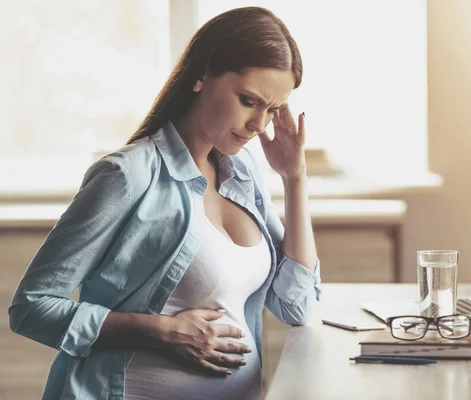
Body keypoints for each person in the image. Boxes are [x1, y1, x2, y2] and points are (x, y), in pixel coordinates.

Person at [8, 6, 321, 400]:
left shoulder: (243, 176)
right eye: (248, 101)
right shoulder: (127, 175)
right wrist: (163, 331)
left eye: (272, 110)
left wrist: (295, 178)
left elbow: (299, 306)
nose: (259, 125)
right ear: (201, 76)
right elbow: (32, 308)